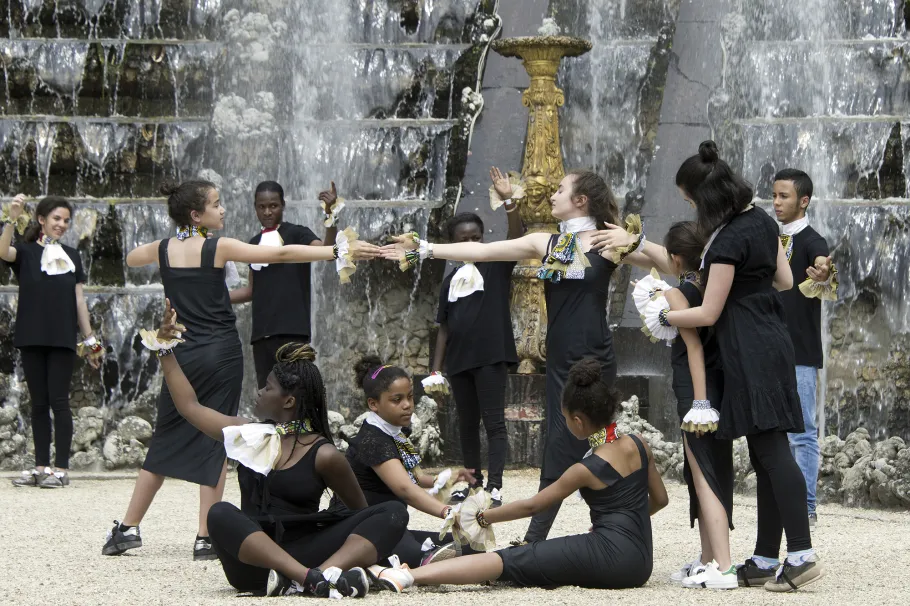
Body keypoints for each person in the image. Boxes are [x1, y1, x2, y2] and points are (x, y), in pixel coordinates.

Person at [102, 180, 378, 560]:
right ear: (197, 215)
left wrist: (176, 241)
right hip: (220, 352)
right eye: (216, 205)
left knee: (166, 432)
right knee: (220, 436)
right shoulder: (220, 247)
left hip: (181, 353)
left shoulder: (164, 249)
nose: (224, 210)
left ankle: (128, 528)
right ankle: (204, 536)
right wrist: (336, 250)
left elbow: (133, 258)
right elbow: (279, 255)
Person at [596, 141, 823, 592]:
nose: (691, 208)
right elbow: (784, 280)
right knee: (765, 451)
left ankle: (801, 554)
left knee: (773, 451)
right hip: (775, 340)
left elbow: (707, 314)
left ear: (706, 199)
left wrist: (664, 315)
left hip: (746, 348)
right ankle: (763, 557)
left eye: (690, 200)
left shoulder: (725, 240)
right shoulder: (761, 220)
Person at [382, 168, 620, 542]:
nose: (551, 195)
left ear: (581, 201)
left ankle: (553, 534)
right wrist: (424, 249)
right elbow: (482, 250)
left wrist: (634, 241)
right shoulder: (546, 242)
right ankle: (572, 530)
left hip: (596, 356)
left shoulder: (609, 241)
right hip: (560, 359)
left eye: (559, 190)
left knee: (597, 442)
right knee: (565, 444)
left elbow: (672, 261)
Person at [139, 300, 406, 598]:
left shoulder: (324, 454)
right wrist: (164, 349)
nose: (259, 392)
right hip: (252, 564)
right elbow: (190, 407)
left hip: (307, 551)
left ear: (288, 401)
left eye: (267, 388)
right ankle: (307, 579)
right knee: (219, 513)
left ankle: (315, 578)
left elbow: (359, 514)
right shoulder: (248, 435)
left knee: (393, 512)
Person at [370, 358, 669, 593]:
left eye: (565, 419)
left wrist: (483, 517)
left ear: (578, 421)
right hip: (642, 560)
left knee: (509, 560)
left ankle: (407, 576)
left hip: (612, 558)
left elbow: (533, 506)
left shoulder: (585, 468)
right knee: (534, 557)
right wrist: (627, 523)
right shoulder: (639, 443)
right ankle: (410, 575)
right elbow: (660, 499)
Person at [433, 167, 525, 507]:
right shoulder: (450, 282)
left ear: (482, 239)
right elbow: (443, 327)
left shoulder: (495, 265)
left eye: (475, 238)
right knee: (467, 425)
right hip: (458, 362)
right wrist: (434, 370)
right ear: (452, 245)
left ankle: (495, 486)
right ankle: (472, 482)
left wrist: (509, 201)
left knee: (494, 422)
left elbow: (517, 238)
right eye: (463, 240)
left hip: (490, 357)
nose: (470, 243)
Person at [335, 356, 476, 569]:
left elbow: (416, 477)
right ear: (373, 404)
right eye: (397, 399)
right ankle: (377, 566)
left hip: (389, 525)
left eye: (410, 397)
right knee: (434, 555)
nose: (407, 405)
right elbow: (405, 489)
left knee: (471, 545)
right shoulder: (374, 440)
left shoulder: (395, 432)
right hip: (363, 530)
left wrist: (448, 478)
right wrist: (448, 512)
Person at [2, 194, 103, 489]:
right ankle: (40, 467)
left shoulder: (72, 255)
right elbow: (2, 250)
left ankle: (60, 469)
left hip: (61, 338)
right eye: (56, 219)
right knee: (38, 404)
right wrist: (11, 217)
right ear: (41, 220)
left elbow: (80, 302)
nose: (61, 224)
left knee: (59, 402)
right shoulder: (25, 252)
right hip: (32, 336)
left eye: (66, 220)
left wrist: (91, 344)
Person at [660, 221, 735, 589]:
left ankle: (723, 563)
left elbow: (693, 349)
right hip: (719, 383)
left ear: (675, 259)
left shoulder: (678, 294)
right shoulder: (717, 286)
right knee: (707, 470)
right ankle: (708, 558)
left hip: (697, 390)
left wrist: (700, 401)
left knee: (703, 474)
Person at [230, 181, 341, 389]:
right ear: (255, 208)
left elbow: (328, 252)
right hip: (262, 336)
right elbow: (252, 290)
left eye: (273, 206)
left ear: (283, 205)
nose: (267, 212)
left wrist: (331, 214)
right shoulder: (253, 243)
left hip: (293, 331)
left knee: (296, 393)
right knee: (268, 396)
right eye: (261, 207)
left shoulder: (298, 234)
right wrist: (212, 298)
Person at [772, 168, 834, 527]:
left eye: (784, 197)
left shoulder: (812, 240)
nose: (776, 203)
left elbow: (823, 262)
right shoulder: (768, 237)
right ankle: (781, 500)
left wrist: (824, 271)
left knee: (804, 432)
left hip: (799, 353)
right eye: (775, 196)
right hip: (767, 348)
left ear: (803, 201)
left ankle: (807, 506)